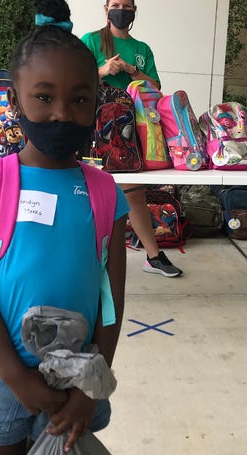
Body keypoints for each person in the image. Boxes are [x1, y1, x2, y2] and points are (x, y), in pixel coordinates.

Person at [0, 1, 130, 455]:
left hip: (78, 376)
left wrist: (93, 386)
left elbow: (110, 301)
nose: (62, 114)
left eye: (79, 99)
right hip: (2, 372)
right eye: (44, 97)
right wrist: (16, 379)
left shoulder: (104, 191)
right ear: (15, 98)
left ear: (96, 103)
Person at [81, 0, 183, 278]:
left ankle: (152, 256)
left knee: (133, 193)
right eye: (115, 4)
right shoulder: (90, 41)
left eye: (126, 5)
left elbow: (155, 88)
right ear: (106, 10)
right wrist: (103, 70)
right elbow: (76, 79)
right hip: (98, 131)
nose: (121, 9)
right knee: (87, 195)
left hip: (134, 130)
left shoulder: (142, 49)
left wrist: (130, 70)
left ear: (134, 11)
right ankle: (87, 259)